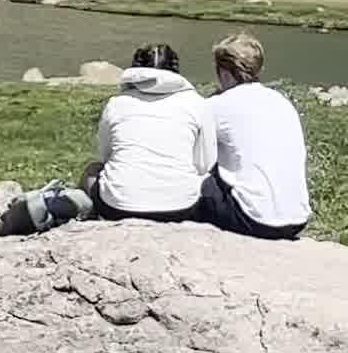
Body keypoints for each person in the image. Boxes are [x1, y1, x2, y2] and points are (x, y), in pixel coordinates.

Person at [199, 33, 311, 241]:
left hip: (253, 218)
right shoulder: (281, 100)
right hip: (297, 219)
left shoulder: (218, 105)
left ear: (224, 72)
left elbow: (195, 152)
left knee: (199, 180)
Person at [88, 44, 215, 223]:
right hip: (181, 208)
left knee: (92, 171)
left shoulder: (117, 103)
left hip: (117, 208)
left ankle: (91, 221)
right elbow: (205, 164)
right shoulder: (197, 104)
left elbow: (105, 156)